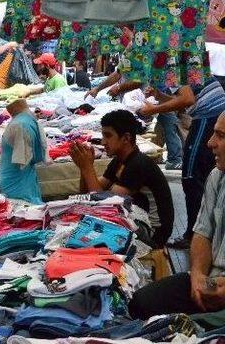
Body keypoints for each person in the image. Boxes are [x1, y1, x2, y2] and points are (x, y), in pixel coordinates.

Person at [129, 112, 225, 319]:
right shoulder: (217, 177)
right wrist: (198, 275)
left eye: (221, 136)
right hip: (211, 279)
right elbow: (202, 232)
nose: (210, 143)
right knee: (141, 302)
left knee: (189, 327)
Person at [139, 79, 225, 249]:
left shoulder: (173, 63)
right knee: (203, 174)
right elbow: (184, 100)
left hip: (208, 114)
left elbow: (187, 100)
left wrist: (153, 109)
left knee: (191, 176)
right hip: (208, 114)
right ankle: (205, 232)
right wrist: (160, 96)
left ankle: (195, 235)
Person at [70, 110, 174, 249]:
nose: (103, 142)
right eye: (102, 135)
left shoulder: (138, 164)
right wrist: (84, 168)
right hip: (137, 220)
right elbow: (88, 194)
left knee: (91, 232)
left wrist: (87, 167)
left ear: (126, 138)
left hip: (153, 234)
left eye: (108, 136)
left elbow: (105, 205)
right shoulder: (119, 161)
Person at [0, 99, 48, 204]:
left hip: (17, 185)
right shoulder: (27, 121)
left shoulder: (19, 125)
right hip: (23, 181)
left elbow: (22, 160)